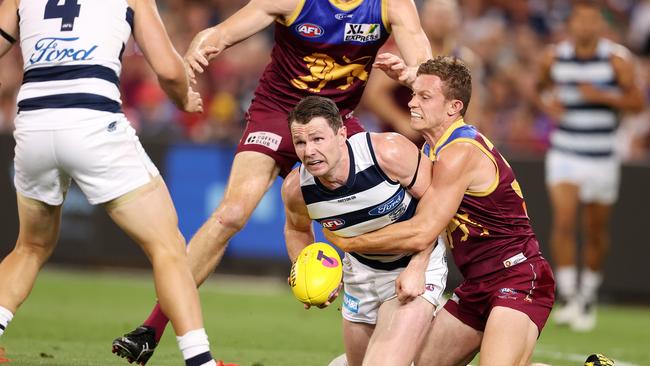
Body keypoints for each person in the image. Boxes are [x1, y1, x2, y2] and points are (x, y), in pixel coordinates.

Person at [113, 0, 432, 363]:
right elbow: (221, 33)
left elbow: (423, 59)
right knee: (231, 213)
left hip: (333, 124)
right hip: (277, 115)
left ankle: (413, 306)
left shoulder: (391, 5)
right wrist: (200, 49)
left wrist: (412, 73)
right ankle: (151, 329)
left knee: (387, 207)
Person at [0, 0, 220, 365]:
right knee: (168, 245)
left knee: (31, 247)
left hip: (34, 124)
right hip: (92, 120)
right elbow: (167, 68)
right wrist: (184, 99)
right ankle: (201, 361)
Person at [325, 56, 555, 366]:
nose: (411, 103)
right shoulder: (431, 149)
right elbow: (429, 224)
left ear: (454, 107)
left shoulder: (460, 152)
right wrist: (417, 266)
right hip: (476, 284)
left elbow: (423, 229)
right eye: (413, 93)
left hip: (517, 276)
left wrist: (349, 242)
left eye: (423, 97)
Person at [283, 95, 447, 366]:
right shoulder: (296, 190)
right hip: (360, 274)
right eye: (300, 142)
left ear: (341, 135)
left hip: (415, 264)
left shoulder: (387, 153)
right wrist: (308, 273)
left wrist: (418, 266)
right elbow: (296, 229)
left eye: (317, 139)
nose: (308, 151)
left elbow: (436, 206)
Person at [535, 0, 645, 331]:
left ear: (601, 24)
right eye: (581, 20)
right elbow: (539, 88)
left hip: (602, 153)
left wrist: (602, 96)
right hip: (565, 150)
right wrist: (548, 106)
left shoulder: (617, 59)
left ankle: (589, 293)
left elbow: (638, 103)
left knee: (595, 229)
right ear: (572, 24)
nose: (587, 26)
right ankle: (570, 296)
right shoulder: (554, 56)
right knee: (565, 221)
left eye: (593, 20)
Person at [362, 0, 484, 143]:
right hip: (403, 140)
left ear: (458, 19)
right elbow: (373, 94)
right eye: (436, 15)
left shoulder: (466, 60)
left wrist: (468, 137)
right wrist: (400, 120)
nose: (441, 21)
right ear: (422, 17)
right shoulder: (402, 54)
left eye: (446, 15)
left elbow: (473, 105)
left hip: (445, 141)